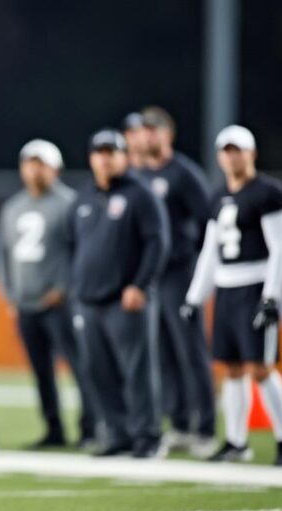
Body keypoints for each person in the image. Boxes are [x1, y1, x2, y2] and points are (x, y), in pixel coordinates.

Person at [182, 125, 282, 466]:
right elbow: (209, 251)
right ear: (220, 156)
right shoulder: (218, 197)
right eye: (226, 150)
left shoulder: (267, 192)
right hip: (226, 289)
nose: (232, 156)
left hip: (255, 285)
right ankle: (236, 441)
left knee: (260, 368)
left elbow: (281, 248)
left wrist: (271, 296)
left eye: (238, 150)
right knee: (231, 369)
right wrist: (194, 296)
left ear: (252, 153)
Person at [70, 128, 169, 459]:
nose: (105, 158)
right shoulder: (83, 196)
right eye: (99, 152)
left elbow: (157, 244)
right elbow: (76, 246)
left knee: (137, 371)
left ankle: (147, 436)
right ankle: (116, 433)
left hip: (125, 299)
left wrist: (140, 285)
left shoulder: (141, 194)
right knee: (98, 371)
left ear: (124, 156)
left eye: (112, 152)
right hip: (89, 300)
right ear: (91, 157)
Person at [0, 139, 96, 449]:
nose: (35, 170)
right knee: (41, 371)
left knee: (81, 367)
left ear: (56, 168)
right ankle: (53, 429)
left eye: (41, 163)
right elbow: (2, 253)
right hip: (25, 303)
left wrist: (63, 288)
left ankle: (90, 428)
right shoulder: (14, 207)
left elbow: (83, 251)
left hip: (60, 303)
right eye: (29, 163)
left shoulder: (70, 204)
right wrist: (9, 294)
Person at [135, 106, 216, 456]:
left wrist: (197, 266)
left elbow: (209, 222)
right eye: (144, 130)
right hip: (152, 275)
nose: (148, 136)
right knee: (164, 352)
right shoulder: (138, 173)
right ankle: (181, 423)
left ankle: (206, 428)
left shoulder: (184, 174)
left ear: (169, 134)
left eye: (154, 130)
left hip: (180, 273)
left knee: (190, 350)